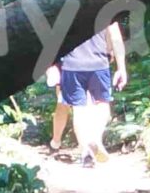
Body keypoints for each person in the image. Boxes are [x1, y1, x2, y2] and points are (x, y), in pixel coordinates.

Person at [47, 20, 128, 166]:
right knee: (102, 105)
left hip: (72, 65)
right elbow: (115, 37)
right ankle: (95, 140)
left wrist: (51, 66)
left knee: (79, 109)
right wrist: (121, 68)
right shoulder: (106, 6)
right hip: (98, 62)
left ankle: (86, 149)